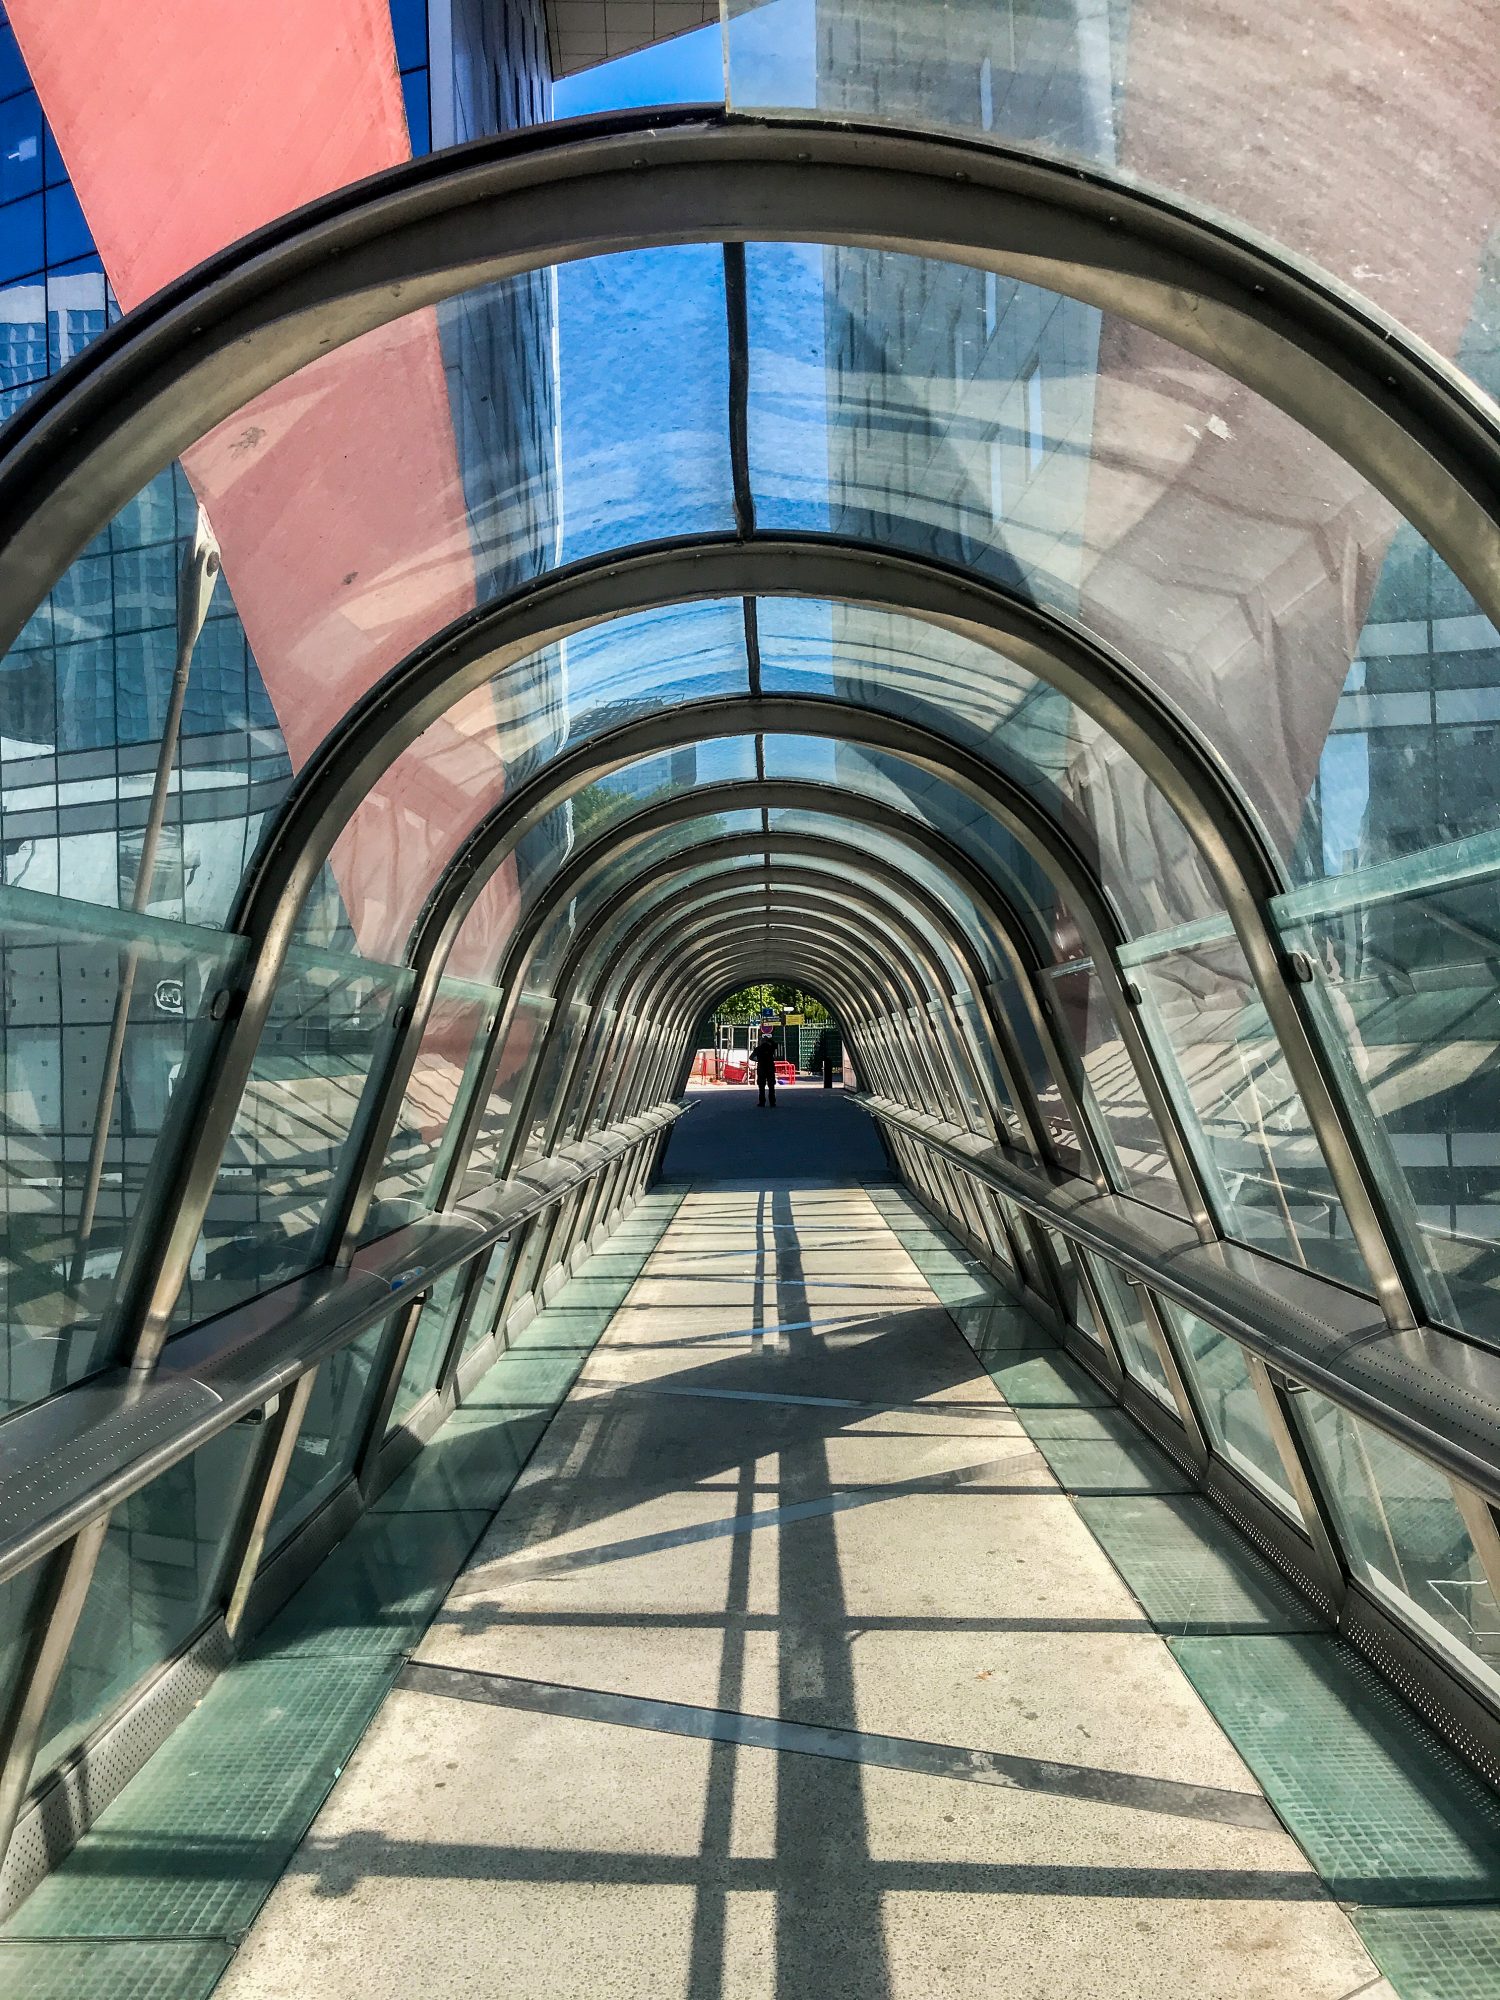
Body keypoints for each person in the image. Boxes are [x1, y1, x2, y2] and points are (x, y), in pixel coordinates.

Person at [752, 1032, 778, 1108]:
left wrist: (758, 1060)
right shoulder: (770, 1048)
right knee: (771, 1086)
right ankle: (772, 1102)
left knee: (761, 1086)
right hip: (770, 1068)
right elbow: (775, 1045)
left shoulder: (758, 1049)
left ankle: (762, 1102)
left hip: (761, 1068)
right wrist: (770, 1039)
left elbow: (751, 1057)